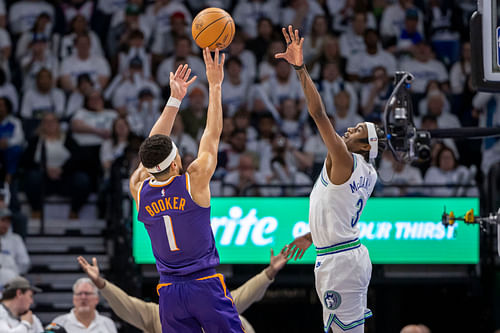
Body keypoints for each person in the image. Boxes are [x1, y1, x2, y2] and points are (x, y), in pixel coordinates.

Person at [276, 25, 387, 333]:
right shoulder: (369, 171)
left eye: (357, 132)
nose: (349, 129)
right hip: (344, 254)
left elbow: (319, 114)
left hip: (340, 262)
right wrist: (314, 235)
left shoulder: (345, 159)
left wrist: (300, 69)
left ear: (365, 147)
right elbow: (338, 210)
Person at [129, 50, 244, 332]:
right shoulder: (194, 180)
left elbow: (152, 149)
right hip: (204, 284)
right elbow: (212, 134)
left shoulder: (139, 188)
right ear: (177, 160)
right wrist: (215, 85)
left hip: (168, 291)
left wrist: (174, 99)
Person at [77, 249, 289, 333]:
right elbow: (126, 305)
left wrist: (269, 273)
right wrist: (101, 284)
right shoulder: (156, 313)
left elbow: (246, 293)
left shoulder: (215, 303)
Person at [52, 278, 117, 332]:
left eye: (87, 293)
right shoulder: (57, 323)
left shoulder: (108, 324)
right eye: (79, 293)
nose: (83, 297)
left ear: (96, 299)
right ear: (73, 299)